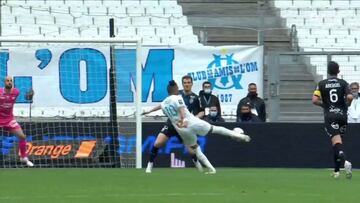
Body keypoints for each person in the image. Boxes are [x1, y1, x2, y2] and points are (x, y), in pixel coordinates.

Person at [143, 80, 251, 174]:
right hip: (191, 122)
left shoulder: (164, 103)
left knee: (196, 149)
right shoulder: (178, 97)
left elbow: (159, 106)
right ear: (175, 89)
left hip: (182, 130)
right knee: (215, 129)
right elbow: (181, 109)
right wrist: (185, 119)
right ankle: (239, 136)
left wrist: (148, 111)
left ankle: (211, 169)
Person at [144, 75, 205, 173]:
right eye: (185, 83)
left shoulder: (196, 98)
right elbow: (163, 104)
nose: (187, 84)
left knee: (191, 150)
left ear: (192, 84)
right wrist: (149, 111)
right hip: (172, 124)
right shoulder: (176, 94)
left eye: (189, 82)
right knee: (158, 143)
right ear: (182, 84)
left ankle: (197, 164)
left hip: (184, 126)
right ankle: (149, 165)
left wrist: (194, 119)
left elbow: (202, 112)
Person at [312, 61, 353, 179]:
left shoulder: (321, 84)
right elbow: (350, 96)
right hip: (342, 115)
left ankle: (345, 162)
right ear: (338, 71)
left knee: (336, 143)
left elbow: (314, 100)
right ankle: (336, 171)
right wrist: (347, 104)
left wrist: (324, 105)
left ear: (328, 71)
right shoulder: (343, 83)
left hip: (330, 116)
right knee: (337, 142)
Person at [0, 76, 34, 167]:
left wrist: (30, 96)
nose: (9, 82)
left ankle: (23, 157)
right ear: (4, 82)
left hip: (9, 119)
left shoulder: (16, 92)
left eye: (11, 81)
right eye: (7, 81)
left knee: (22, 136)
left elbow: (26, 98)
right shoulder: (0, 92)